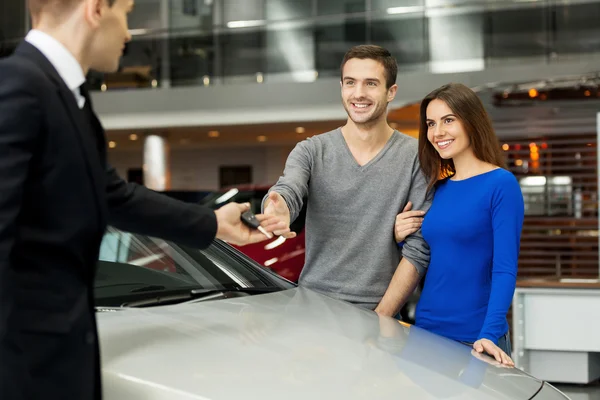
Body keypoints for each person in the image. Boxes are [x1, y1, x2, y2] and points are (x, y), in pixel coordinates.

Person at [0, 0, 290, 399]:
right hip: (23, 365)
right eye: (126, 15)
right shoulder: (17, 87)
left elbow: (112, 195)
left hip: (61, 356)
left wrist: (214, 224)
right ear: (96, 9)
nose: (128, 34)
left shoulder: (67, 96)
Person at [262, 44, 430, 316]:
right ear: (341, 87)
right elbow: (288, 188)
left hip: (379, 315)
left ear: (391, 92)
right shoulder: (312, 150)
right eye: (350, 83)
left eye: (371, 83)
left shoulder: (416, 157)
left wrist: (379, 319)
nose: (359, 93)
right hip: (312, 313)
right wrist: (278, 207)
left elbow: (419, 249)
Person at [394, 83, 524, 366]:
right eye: (430, 123)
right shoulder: (436, 189)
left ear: (471, 121)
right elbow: (436, 255)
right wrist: (402, 237)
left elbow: (505, 268)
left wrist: (489, 333)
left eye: (448, 120)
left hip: (476, 338)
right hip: (427, 332)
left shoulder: (501, 184)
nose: (437, 132)